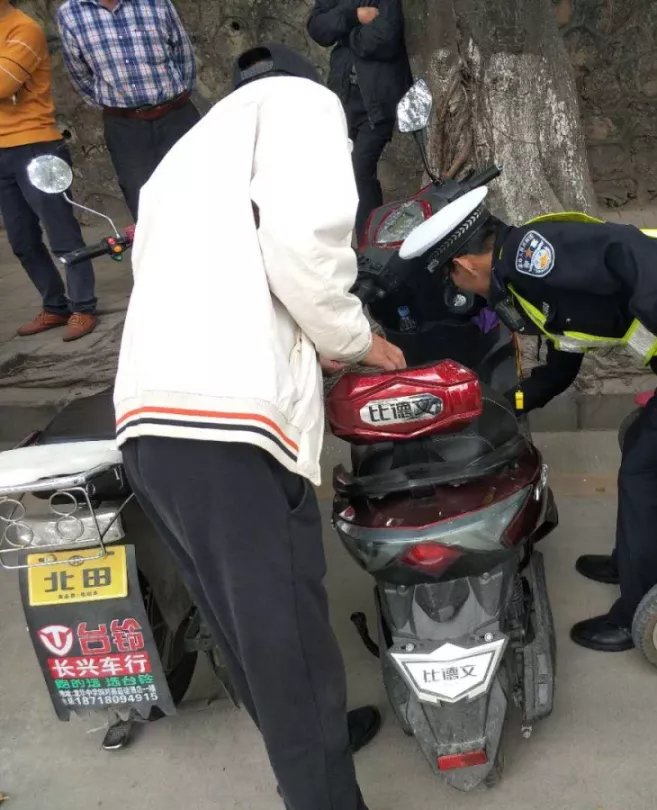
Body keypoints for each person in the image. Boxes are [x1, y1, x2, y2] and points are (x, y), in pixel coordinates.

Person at [112, 44, 406, 810]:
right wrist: (357, 339)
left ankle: (311, 754)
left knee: (244, 629)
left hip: (149, 420)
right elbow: (305, 247)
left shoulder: (188, 150)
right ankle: (323, 793)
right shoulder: (303, 104)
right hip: (228, 429)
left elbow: (191, 274)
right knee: (289, 646)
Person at [400, 189, 657, 652]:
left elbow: (631, 249)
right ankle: (635, 562)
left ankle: (643, 614)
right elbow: (562, 365)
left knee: (648, 468)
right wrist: (501, 405)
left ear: (464, 265)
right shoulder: (522, 277)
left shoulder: (531, 259)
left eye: (452, 279)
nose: (461, 292)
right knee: (642, 442)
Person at [0, 0, 98, 341]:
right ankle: (55, 306)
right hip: (2, 151)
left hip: (36, 145)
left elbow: (3, 84)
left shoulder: (23, 28)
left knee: (61, 234)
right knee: (22, 240)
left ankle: (84, 307)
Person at [56, 0, 200, 218]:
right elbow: (79, 74)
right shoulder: (71, 13)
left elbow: (183, 52)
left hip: (176, 116)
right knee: (143, 202)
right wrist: (120, 106)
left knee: (199, 188)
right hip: (125, 127)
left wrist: (177, 97)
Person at [307, 0, 412, 236]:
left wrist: (345, 35)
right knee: (335, 172)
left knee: (359, 171)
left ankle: (370, 242)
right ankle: (343, 243)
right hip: (343, 95)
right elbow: (317, 27)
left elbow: (386, 38)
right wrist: (353, 16)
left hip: (378, 100)